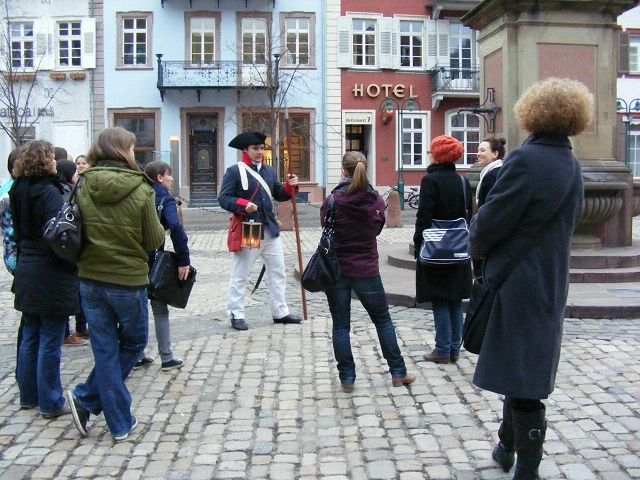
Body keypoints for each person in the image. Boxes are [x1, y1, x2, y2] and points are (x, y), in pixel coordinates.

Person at [469, 77, 590, 479]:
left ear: (532, 114)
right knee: (522, 368)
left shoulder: (525, 159)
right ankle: (507, 447)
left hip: (517, 281)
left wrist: (478, 246)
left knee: (524, 378)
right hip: (551, 279)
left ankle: (527, 468)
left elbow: (491, 221)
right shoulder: (571, 164)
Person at [66, 127, 165, 442]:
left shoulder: (83, 183)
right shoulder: (141, 188)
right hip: (127, 279)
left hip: (90, 278)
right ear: (125, 151)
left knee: (106, 348)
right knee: (134, 343)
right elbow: (153, 239)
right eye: (133, 148)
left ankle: (91, 401)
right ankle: (106, 411)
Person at [322, 151, 415, 392]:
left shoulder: (333, 200)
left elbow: (326, 225)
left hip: (337, 268)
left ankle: (347, 378)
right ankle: (398, 372)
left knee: (341, 325)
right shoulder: (373, 199)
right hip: (366, 269)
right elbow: (376, 229)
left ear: (344, 171)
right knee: (383, 321)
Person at [9, 140, 79, 418]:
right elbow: (58, 235)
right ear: (45, 160)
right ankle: (50, 400)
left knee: (30, 333)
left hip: (27, 265)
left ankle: (29, 395)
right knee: (50, 336)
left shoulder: (18, 188)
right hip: (49, 270)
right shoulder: (48, 192)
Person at [218, 131, 302, 331]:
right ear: (245, 150)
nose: (259, 152)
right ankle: (236, 313)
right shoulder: (234, 171)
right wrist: (243, 204)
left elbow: (279, 194)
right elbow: (224, 198)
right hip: (250, 229)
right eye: (255, 148)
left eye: (261, 148)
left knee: (278, 271)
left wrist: (290, 188)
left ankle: (280, 312)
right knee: (241, 273)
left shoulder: (269, 171)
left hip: (270, 229)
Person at [414, 135, 472, 364]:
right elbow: (468, 214)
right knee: (455, 298)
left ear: (438, 154)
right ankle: (454, 347)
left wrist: (419, 244)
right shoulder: (463, 182)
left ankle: (442, 349)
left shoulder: (431, 181)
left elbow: (424, 217)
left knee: (440, 298)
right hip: (458, 246)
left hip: (437, 247)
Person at [134, 161, 191, 372]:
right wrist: (183, 258)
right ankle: (166, 357)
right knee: (159, 309)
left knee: (138, 310)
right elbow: (175, 226)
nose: (172, 179)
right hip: (154, 260)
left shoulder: (138, 194)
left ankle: (137, 355)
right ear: (160, 177)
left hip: (135, 259)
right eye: (169, 175)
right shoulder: (164, 198)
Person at [56, 159, 90, 347]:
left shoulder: (71, 188)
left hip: (72, 251)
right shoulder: (65, 191)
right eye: (76, 167)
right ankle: (67, 332)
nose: (79, 169)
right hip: (68, 249)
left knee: (77, 291)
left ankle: (80, 327)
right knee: (71, 292)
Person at [475, 137, 506, 208]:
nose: (478, 154)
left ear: (495, 154)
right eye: (478, 150)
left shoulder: (491, 176)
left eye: (482, 150)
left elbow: (488, 205)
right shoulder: (502, 170)